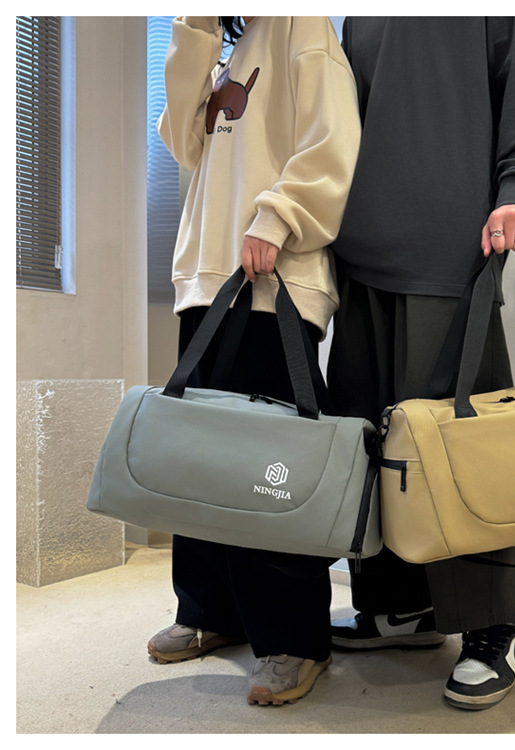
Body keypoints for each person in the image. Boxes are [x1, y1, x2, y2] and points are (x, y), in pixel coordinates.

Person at [327, 17, 515, 711]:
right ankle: (399, 608)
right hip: (359, 255)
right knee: (370, 446)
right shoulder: (360, 15)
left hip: (449, 246)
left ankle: (494, 626)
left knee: (464, 451)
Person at [148, 15, 361, 706]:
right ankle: (211, 609)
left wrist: (277, 216)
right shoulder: (224, 46)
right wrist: (195, 29)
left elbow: (333, 136)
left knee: (271, 470)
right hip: (205, 279)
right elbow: (183, 141)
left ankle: (293, 635)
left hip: (273, 278)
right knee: (201, 461)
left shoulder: (300, 25)